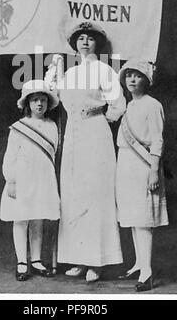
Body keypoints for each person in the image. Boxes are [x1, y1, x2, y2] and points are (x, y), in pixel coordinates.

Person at [45, 21, 126, 283]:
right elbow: (52, 95)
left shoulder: (105, 70)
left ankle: (97, 262)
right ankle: (79, 259)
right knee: (74, 193)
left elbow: (118, 104)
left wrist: (99, 118)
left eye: (90, 38)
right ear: (75, 43)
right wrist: (54, 69)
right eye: (81, 37)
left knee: (95, 193)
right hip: (74, 134)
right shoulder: (69, 73)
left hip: (95, 132)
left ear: (97, 43)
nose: (85, 41)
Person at [116, 59, 169, 292]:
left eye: (137, 76)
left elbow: (157, 139)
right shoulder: (129, 105)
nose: (132, 79)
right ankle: (139, 263)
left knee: (143, 217)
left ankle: (147, 272)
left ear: (146, 80)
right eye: (129, 75)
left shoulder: (152, 104)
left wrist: (153, 169)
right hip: (125, 162)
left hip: (144, 164)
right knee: (132, 216)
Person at [0, 80, 60, 281]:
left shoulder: (52, 126)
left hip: (43, 178)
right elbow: (11, 155)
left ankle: (36, 260)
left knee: (38, 218)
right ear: (28, 103)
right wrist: (12, 180)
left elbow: (53, 154)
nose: (40, 104)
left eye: (43, 100)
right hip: (23, 178)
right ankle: (21, 261)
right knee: (21, 218)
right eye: (35, 100)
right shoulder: (19, 127)